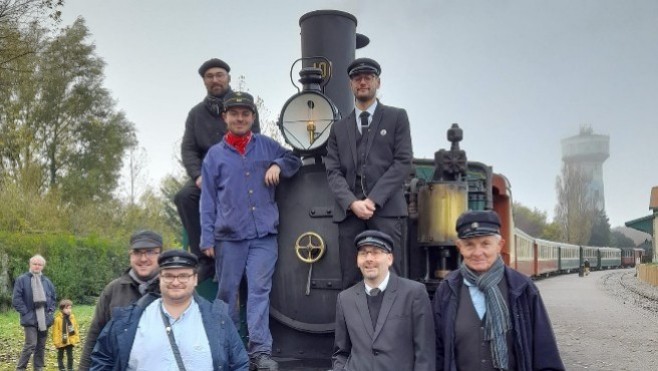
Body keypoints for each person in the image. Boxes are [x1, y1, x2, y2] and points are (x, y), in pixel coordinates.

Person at [200, 91, 301, 370]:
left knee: (259, 292)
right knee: (227, 295)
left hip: (263, 237)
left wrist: (278, 164)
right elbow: (207, 200)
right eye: (234, 114)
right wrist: (207, 238)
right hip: (228, 238)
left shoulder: (267, 146)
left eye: (245, 113)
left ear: (252, 118)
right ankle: (231, 351)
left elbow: (294, 159)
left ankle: (260, 353)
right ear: (226, 118)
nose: (240, 118)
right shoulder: (214, 157)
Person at [433, 210, 565, 371]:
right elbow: (436, 351)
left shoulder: (522, 288)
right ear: (459, 247)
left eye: (485, 244)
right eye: (469, 245)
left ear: (500, 245)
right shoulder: (447, 289)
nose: (477, 252)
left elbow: (545, 351)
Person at [325, 57, 413, 289]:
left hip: (386, 212)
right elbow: (333, 172)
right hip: (349, 216)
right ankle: (353, 326)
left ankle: (393, 326)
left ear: (378, 82)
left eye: (368, 78)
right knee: (350, 280)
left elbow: (403, 162)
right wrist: (352, 203)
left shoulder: (397, 117)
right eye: (357, 78)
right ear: (350, 85)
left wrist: (373, 200)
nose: (362, 82)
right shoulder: (338, 128)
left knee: (391, 277)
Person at [175, 58, 260, 282]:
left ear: (228, 78)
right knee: (185, 197)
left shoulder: (244, 107)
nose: (215, 79)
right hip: (208, 177)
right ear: (204, 81)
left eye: (219, 75)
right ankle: (204, 258)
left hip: (241, 175)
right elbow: (189, 149)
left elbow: (256, 141)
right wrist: (198, 176)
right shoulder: (195, 115)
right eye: (210, 76)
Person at [90, 249, 248, 370]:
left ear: (194, 279)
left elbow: (239, 363)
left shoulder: (217, 320)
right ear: (160, 278)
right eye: (169, 276)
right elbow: (102, 360)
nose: (176, 282)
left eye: (183, 276)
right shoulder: (128, 321)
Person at [332, 230, 435, 371]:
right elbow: (341, 352)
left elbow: (425, 354)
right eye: (363, 253)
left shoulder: (414, 293)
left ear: (389, 259)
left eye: (376, 252)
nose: (369, 258)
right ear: (357, 260)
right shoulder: (345, 299)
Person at [78, 230, 163, 370]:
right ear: (130, 255)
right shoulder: (113, 290)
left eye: (149, 252)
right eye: (137, 252)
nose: (143, 259)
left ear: (161, 255)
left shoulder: (172, 292)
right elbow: (94, 336)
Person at [12, 254, 57, 371]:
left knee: (41, 346)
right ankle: (20, 368)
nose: (37, 266)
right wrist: (26, 313)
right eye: (35, 264)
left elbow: (53, 298)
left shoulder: (47, 281)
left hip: (44, 319)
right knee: (30, 345)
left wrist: (50, 312)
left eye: (39, 264)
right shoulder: (22, 279)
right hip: (30, 319)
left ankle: (38, 368)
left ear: (43, 266)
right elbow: (16, 299)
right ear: (30, 265)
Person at [52, 299, 80, 371]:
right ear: (62, 309)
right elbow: (55, 332)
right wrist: (56, 342)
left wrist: (76, 338)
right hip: (61, 341)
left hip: (70, 340)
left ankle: (70, 368)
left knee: (70, 356)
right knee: (60, 356)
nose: (69, 310)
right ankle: (61, 368)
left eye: (70, 308)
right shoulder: (57, 319)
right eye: (66, 308)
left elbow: (75, 328)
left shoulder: (72, 317)